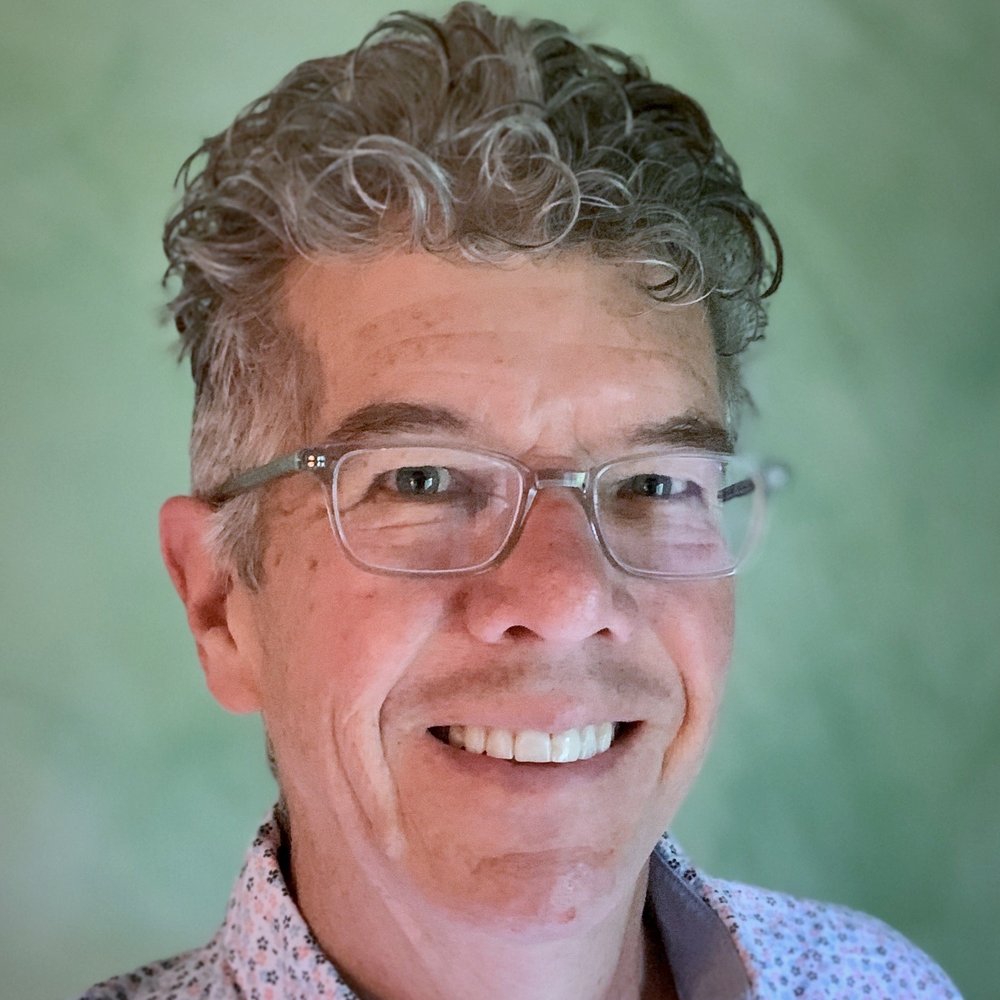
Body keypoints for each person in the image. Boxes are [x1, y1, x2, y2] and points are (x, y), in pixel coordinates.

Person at [80, 4, 959, 998]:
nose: (567, 595)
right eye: (421, 478)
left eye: (652, 482)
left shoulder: (883, 983)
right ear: (219, 605)